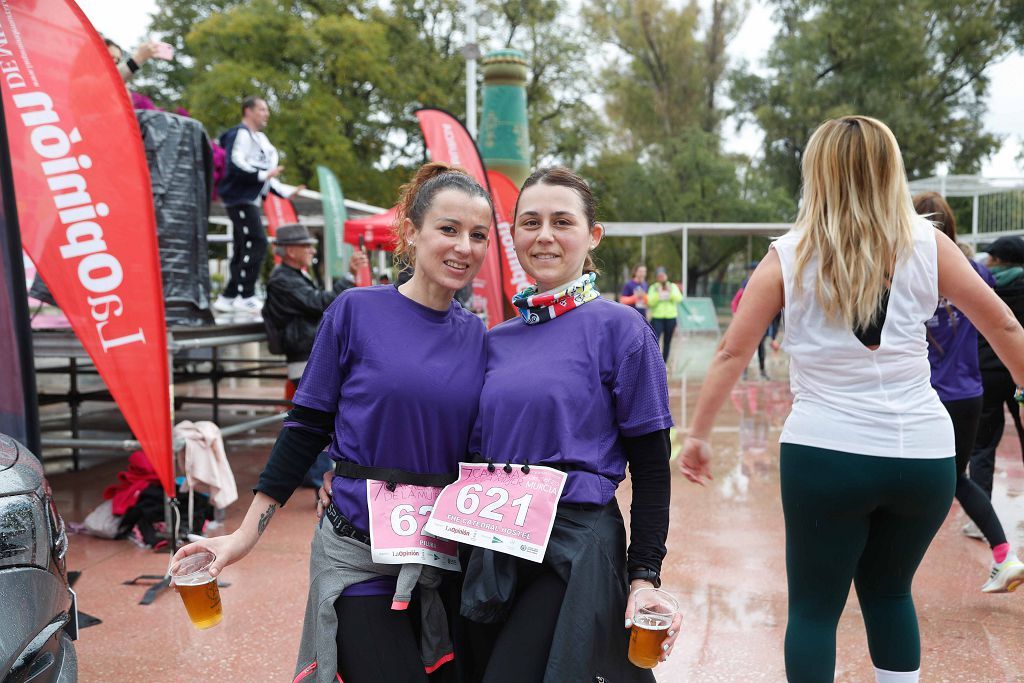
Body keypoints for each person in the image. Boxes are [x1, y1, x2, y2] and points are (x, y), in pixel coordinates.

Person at [679, 116, 1024, 683]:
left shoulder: (790, 254)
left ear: (817, 174)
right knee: (890, 594)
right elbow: (1005, 327)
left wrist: (697, 436)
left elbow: (730, 354)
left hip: (826, 452)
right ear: (892, 171)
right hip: (923, 454)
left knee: (815, 610)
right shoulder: (930, 245)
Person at [173, 162, 494, 683]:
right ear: (412, 231)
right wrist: (242, 537)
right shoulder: (355, 311)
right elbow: (305, 427)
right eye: (449, 229)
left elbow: (483, 454)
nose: (464, 247)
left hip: (443, 562)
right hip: (357, 556)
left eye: (478, 236)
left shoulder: (480, 339)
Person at [462, 167, 681, 681]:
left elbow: (652, 470)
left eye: (562, 221)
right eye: (530, 222)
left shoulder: (623, 331)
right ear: (512, 235)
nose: (544, 235)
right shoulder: (495, 339)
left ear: (592, 235)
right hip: (490, 545)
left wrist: (644, 574)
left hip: (573, 547)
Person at [914, 193, 1024, 593]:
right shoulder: (979, 274)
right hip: (968, 393)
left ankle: (878, 570)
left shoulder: (906, 270)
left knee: (892, 476)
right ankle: (1004, 555)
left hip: (922, 395)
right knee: (955, 479)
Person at [213, 95, 303, 314]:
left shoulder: (261, 140)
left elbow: (268, 179)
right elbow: (236, 165)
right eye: (262, 109)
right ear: (248, 111)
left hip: (250, 199)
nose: (266, 114)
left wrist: (287, 192)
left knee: (244, 245)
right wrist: (263, 175)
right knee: (257, 242)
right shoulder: (240, 135)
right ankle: (245, 294)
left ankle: (229, 295)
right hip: (239, 198)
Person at [263, 223, 368, 398]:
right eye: (306, 246)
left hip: (309, 358)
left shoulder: (291, 274)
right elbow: (319, 303)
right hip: (304, 360)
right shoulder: (283, 278)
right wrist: (349, 276)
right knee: (320, 415)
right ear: (290, 251)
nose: (312, 250)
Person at [968, 235, 1024, 502]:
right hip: (1020, 369)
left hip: (987, 371)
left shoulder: (980, 283)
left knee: (982, 447)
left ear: (999, 259)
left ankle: (981, 516)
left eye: (991, 256)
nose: (987, 260)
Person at [645, 266, 683, 363]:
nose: (661, 278)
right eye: (659, 276)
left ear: (666, 276)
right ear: (657, 277)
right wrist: (659, 294)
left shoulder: (672, 286)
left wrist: (669, 292)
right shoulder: (653, 287)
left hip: (671, 318)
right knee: (655, 341)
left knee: (667, 342)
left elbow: (679, 299)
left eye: (663, 276)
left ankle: (664, 363)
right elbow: (650, 302)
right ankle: (655, 362)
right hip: (657, 318)